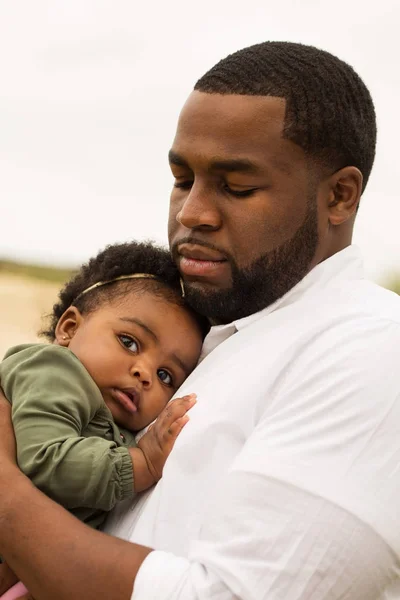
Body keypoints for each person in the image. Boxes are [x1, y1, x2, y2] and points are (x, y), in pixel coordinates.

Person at [0, 40, 400, 600]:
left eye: (237, 187)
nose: (192, 213)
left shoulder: (374, 348)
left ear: (339, 196)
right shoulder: (209, 338)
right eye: (182, 179)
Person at [0, 240, 204, 600]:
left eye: (166, 376)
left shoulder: (110, 417)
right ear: (69, 328)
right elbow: (47, 461)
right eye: (129, 342)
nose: (144, 373)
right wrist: (143, 461)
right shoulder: (54, 371)